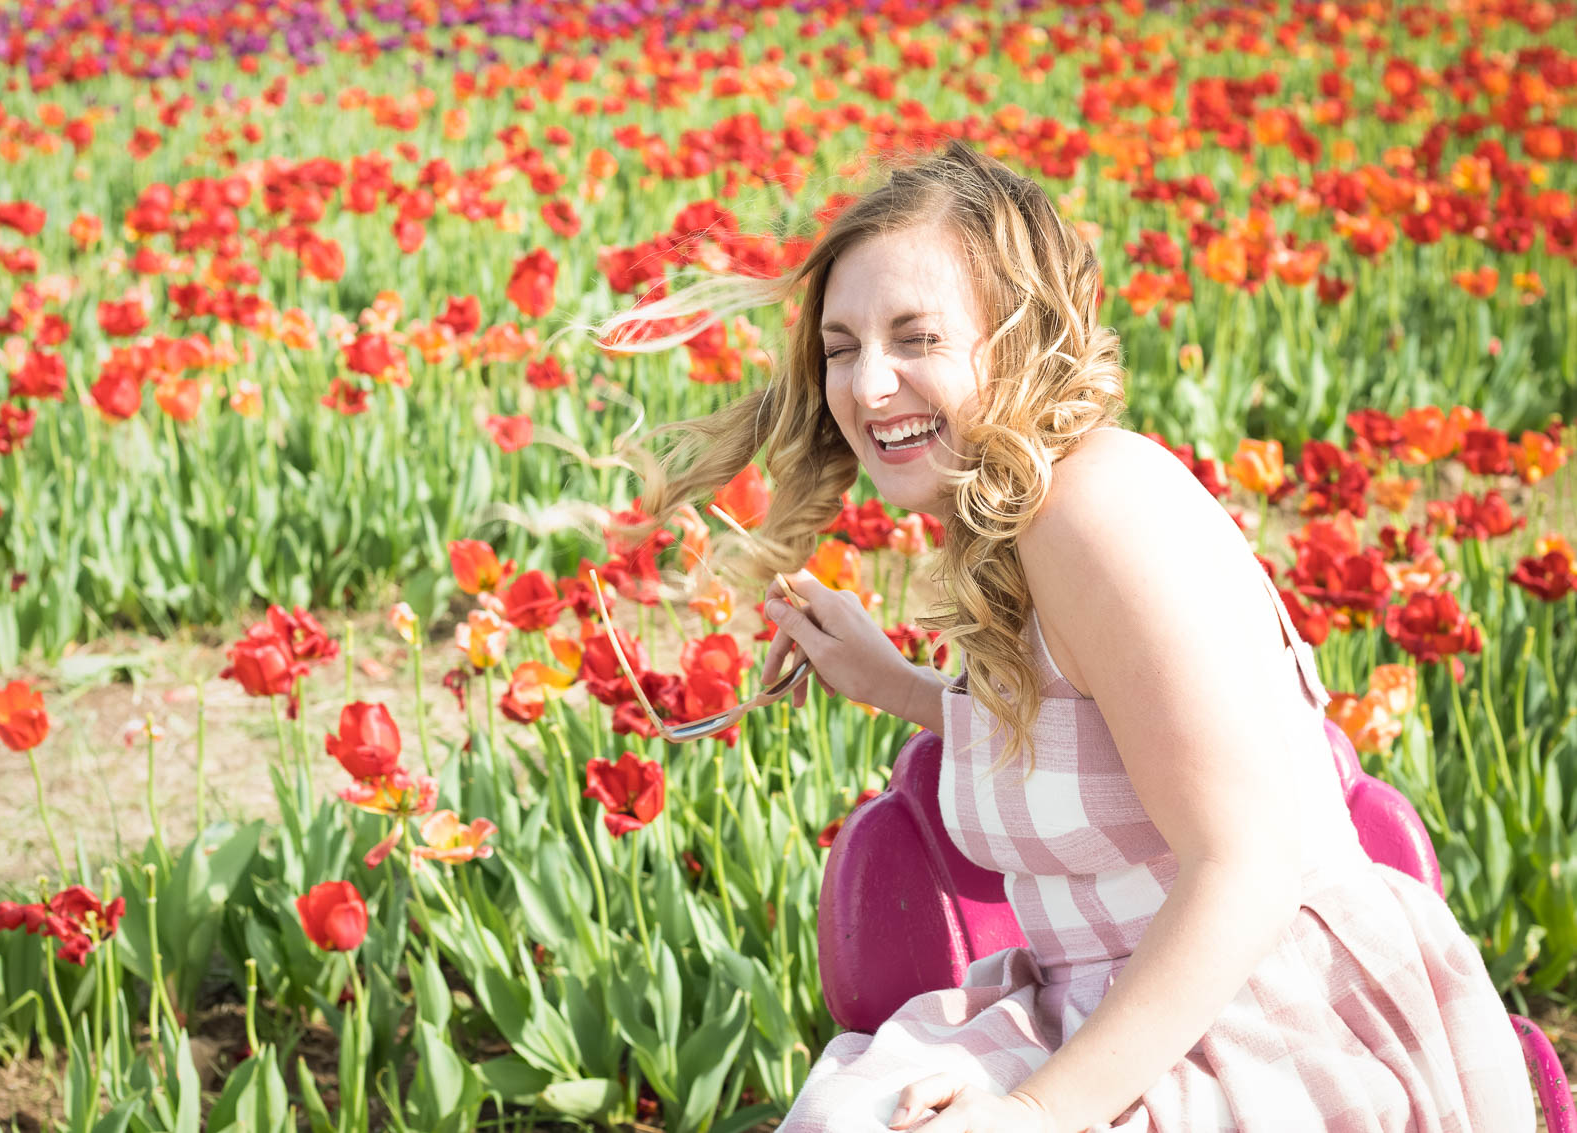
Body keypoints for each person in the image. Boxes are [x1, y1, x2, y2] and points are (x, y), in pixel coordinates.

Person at [588, 140, 1536, 1131]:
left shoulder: (1094, 506)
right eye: (840, 346)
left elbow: (1246, 865)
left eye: (915, 337)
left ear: (1021, 335)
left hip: (1271, 1027)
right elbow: (1098, 732)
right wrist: (898, 684)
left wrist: (1033, 1111)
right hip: (1115, 1004)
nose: (867, 386)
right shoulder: (1020, 520)